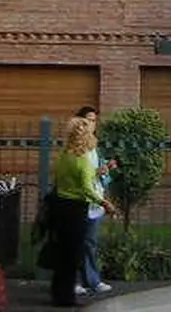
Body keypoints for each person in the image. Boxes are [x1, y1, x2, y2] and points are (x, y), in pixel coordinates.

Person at [51, 117, 115, 308]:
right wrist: (104, 203)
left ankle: (58, 292)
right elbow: (87, 188)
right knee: (73, 254)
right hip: (76, 208)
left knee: (63, 253)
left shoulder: (64, 156)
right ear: (87, 137)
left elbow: (63, 178)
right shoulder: (83, 160)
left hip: (60, 205)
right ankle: (67, 298)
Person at [74, 106, 115, 296]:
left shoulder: (94, 147)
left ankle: (92, 280)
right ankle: (73, 280)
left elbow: (97, 174)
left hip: (94, 201)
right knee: (75, 242)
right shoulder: (76, 147)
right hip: (79, 200)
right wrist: (96, 173)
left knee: (90, 243)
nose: (92, 124)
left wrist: (105, 169)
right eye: (89, 120)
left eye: (94, 120)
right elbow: (77, 175)